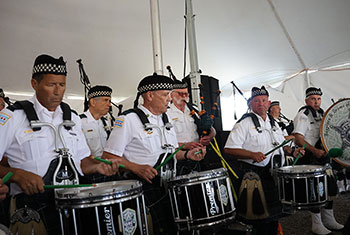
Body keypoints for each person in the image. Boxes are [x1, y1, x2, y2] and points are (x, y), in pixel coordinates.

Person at [0, 54, 119, 235]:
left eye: (62, 85)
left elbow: (82, 162)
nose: (58, 92)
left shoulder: (71, 117)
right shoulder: (12, 116)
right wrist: (17, 174)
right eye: (51, 85)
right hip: (32, 208)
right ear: (34, 84)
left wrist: (98, 167)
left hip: (74, 204)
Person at [102, 73, 206, 234]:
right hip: (144, 187)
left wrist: (187, 155)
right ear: (149, 95)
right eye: (165, 95)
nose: (169, 99)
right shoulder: (128, 119)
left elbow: (169, 154)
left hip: (168, 185)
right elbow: (108, 158)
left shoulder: (165, 119)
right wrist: (135, 167)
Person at [224, 86, 304, 235]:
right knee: (260, 222)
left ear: (269, 103)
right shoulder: (244, 123)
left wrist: (293, 151)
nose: (261, 103)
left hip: (274, 176)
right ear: (250, 104)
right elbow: (229, 149)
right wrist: (251, 154)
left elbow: (282, 145)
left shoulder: (273, 123)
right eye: (256, 101)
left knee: (273, 219)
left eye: (264, 100)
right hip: (255, 177)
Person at [293, 87, 343, 234]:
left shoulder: (323, 114)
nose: (316, 102)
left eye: (318, 99)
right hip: (310, 158)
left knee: (329, 189)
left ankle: (329, 220)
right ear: (307, 100)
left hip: (324, 158)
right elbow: (298, 138)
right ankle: (317, 224)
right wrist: (314, 150)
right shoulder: (303, 115)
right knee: (315, 191)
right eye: (313, 99)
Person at [166, 78, 215, 174]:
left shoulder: (195, 110)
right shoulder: (166, 113)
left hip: (199, 156)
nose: (184, 96)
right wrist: (185, 145)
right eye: (180, 94)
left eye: (186, 94)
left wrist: (209, 136)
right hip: (178, 158)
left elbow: (212, 130)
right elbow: (165, 142)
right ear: (172, 95)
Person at [80, 85, 113, 158]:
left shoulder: (107, 122)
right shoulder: (80, 122)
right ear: (93, 102)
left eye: (109, 101)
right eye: (105, 100)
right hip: (89, 166)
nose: (109, 104)